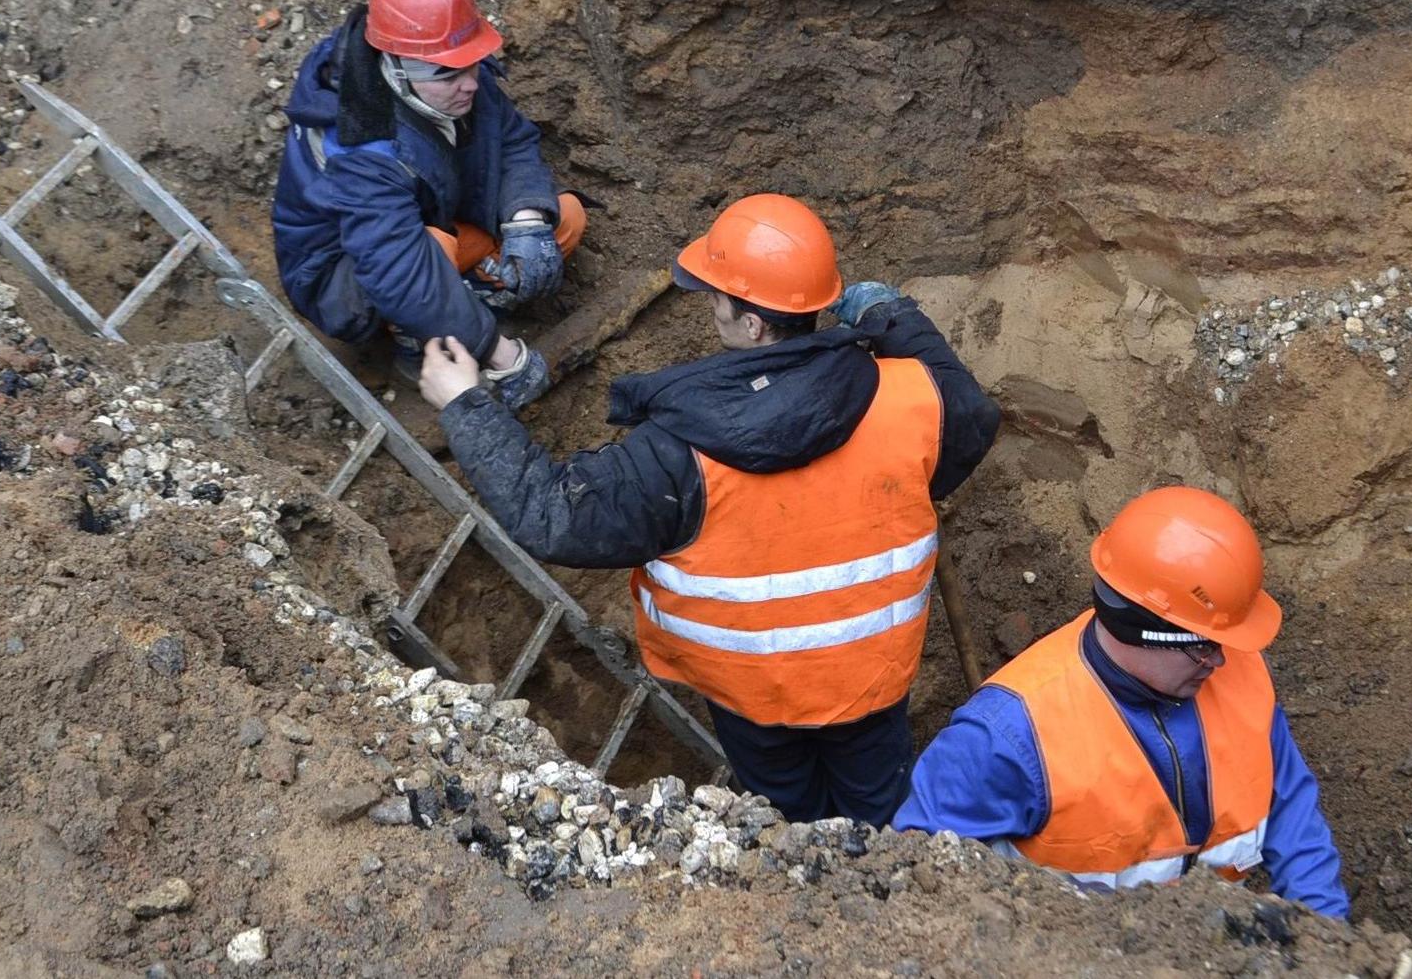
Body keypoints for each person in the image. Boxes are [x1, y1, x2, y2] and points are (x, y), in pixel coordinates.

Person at [418, 193, 1000, 826]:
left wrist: (466, 405)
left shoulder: (676, 457)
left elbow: (554, 514)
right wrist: (895, 318)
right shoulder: (915, 398)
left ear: (752, 324)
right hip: (870, 684)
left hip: (751, 697)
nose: (712, 305)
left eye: (718, 295)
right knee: (881, 807)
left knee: (787, 812)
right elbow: (969, 413)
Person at [894, 486, 1350, 918]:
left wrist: (1327, 937)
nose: (1220, 659)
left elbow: (1292, 813)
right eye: (1202, 645)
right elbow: (922, 880)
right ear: (1140, 632)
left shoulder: (1241, 675)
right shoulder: (1007, 735)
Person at [272, 0, 581, 408]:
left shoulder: (449, 69)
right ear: (396, 67)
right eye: (451, 73)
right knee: (432, 249)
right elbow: (398, 272)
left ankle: (465, 301)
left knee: (563, 221)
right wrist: (500, 353)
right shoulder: (356, 146)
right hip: (345, 274)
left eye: (474, 63)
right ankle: (418, 342)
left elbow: (511, 140)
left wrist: (526, 222)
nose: (471, 83)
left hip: (428, 212)